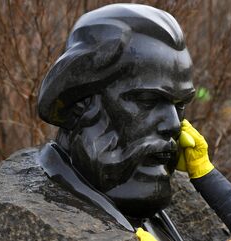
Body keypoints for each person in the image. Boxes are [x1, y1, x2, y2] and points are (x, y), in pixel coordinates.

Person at [38, 3, 195, 218]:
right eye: (147, 101)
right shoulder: (35, 220)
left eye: (180, 105)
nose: (174, 124)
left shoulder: (159, 215)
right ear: (81, 103)